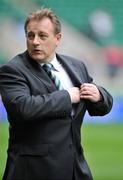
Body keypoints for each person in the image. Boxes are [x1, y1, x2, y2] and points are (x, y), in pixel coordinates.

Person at [0, 8, 113, 180]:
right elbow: (23, 108)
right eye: (30, 36)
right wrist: (67, 96)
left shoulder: (76, 66)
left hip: (76, 169)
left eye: (42, 36)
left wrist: (99, 95)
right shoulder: (13, 70)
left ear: (57, 38)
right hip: (33, 172)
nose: (35, 42)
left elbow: (101, 108)